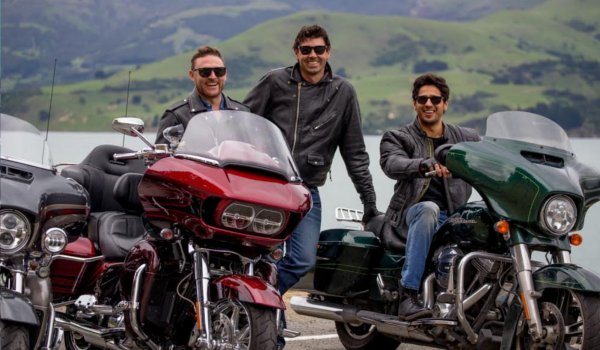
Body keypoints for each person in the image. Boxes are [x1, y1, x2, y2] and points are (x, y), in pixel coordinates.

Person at [244, 24, 379, 348]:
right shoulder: (275, 81)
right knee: (261, 254)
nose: (313, 55)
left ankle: (260, 305)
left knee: (302, 259)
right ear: (296, 53)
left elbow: (355, 153)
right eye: (306, 50)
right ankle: (266, 324)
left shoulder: (343, 92)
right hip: (266, 186)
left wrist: (370, 204)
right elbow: (244, 121)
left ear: (328, 53)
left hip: (305, 191)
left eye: (319, 49)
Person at [379, 73, 480, 321]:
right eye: (422, 99)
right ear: (414, 103)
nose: (428, 104)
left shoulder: (466, 138)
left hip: (454, 217)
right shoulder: (399, 137)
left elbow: (492, 156)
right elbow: (392, 163)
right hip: (411, 215)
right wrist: (425, 164)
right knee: (428, 209)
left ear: (445, 103)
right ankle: (408, 294)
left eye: (435, 99)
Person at [155, 46, 248, 144]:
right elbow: (161, 158)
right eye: (205, 72)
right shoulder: (176, 115)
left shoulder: (243, 112)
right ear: (192, 75)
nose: (213, 76)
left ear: (225, 74)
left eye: (219, 71)